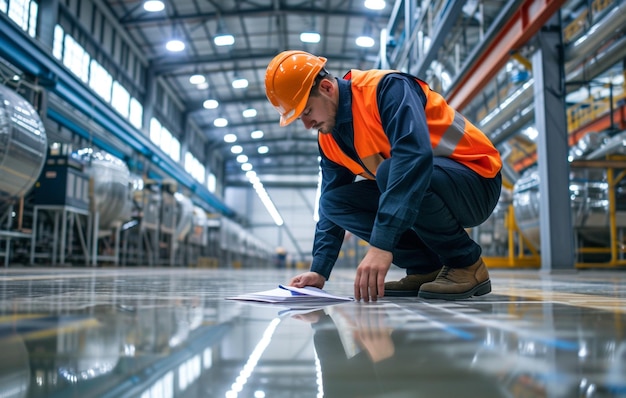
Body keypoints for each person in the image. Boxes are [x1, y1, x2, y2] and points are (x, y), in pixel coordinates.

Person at [264, 50, 502, 302]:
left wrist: (381, 245)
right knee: (333, 202)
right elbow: (329, 207)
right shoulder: (330, 138)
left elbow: (412, 159)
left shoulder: (386, 89)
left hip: (476, 180)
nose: (307, 125)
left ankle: (466, 263)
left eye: (308, 111)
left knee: (393, 170)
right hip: (431, 184)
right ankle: (426, 268)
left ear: (326, 88)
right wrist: (319, 270)